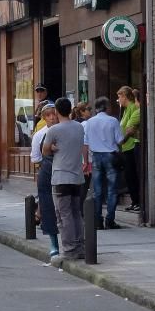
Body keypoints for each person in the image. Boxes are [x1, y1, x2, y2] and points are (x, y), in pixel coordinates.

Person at [42, 97, 85, 264]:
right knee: (76, 213)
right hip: (77, 176)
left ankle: (69, 250)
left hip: (60, 177)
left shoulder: (54, 130)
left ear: (57, 112)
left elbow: (45, 151)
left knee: (63, 215)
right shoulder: (80, 127)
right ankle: (80, 247)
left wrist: (52, 147)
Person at [83, 96, 124, 230]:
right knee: (112, 190)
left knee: (97, 190)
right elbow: (119, 140)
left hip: (95, 157)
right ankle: (110, 220)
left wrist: (85, 161)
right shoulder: (113, 121)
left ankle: (97, 220)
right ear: (107, 107)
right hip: (110, 156)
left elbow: (85, 143)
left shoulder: (89, 122)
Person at [30, 103, 59, 257]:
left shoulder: (65, 130)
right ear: (44, 118)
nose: (52, 117)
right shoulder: (39, 135)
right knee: (48, 207)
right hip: (47, 171)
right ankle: (54, 243)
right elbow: (35, 158)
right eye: (48, 115)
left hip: (65, 171)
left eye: (54, 114)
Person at [117, 86, 141, 212]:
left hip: (131, 146)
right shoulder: (125, 110)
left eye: (119, 96)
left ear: (125, 96)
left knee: (132, 175)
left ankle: (137, 201)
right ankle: (134, 201)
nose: (118, 100)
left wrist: (121, 140)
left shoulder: (133, 108)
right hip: (126, 148)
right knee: (128, 176)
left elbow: (129, 130)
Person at [71, 102, 93, 214]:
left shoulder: (73, 124)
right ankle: (80, 211)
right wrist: (86, 162)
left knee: (76, 187)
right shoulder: (86, 124)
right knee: (83, 188)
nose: (91, 111)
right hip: (84, 159)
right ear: (82, 112)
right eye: (89, 109)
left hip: (74, 159)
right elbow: (85, 144)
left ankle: (77, 210)